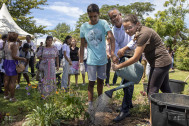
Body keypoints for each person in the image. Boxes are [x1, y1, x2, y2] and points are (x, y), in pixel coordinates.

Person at [112, 14, 172, 98]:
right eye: (125, 29)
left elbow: (135, 58)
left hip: (161, 62)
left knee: (152, 92)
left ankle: (154, 111)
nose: (127, 31)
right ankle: (174, 108)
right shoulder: (139, 32)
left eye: (130, 27)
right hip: (162, 61)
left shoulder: (144, 34)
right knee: (165, 88)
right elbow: (134, 45)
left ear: (137, 24)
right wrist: (123, 50)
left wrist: (118, 66)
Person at [79, 4, 116, 111]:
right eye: (91, 17)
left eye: (95, 16)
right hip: (91, 60)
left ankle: (100, 104)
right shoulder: (84, 27)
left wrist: (112, 54)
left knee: (101, 82)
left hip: (103, 59)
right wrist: (81, 62)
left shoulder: (103, 23)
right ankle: (90, 105)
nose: (93, 19)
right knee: (91, 82)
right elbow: (82, 45)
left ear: (98, 14)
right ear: (88, 15)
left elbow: (111, 38)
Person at [108, 8, 136, 122]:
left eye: (115, 16)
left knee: (128, 82)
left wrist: (124, 49)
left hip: (133, 55)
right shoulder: (113, 30)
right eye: (111, 18)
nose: (114, 19)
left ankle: (125, 110)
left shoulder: (128, 24)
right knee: (127, 81)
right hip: (122, 56)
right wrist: (115, 56)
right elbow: (115, 44)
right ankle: (128, 104)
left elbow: (134, 39)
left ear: (120, 14)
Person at [3, 32, 27, 102]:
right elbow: (14, 56)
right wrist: (22, 58)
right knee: (13, 81)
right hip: (12, 63)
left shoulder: (6, 43)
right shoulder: (13, 45)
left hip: (6, 62)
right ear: (14, 38)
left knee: (6, 80)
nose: (18, 38)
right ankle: (12, 97)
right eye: (17, 37)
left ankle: (6, 95)